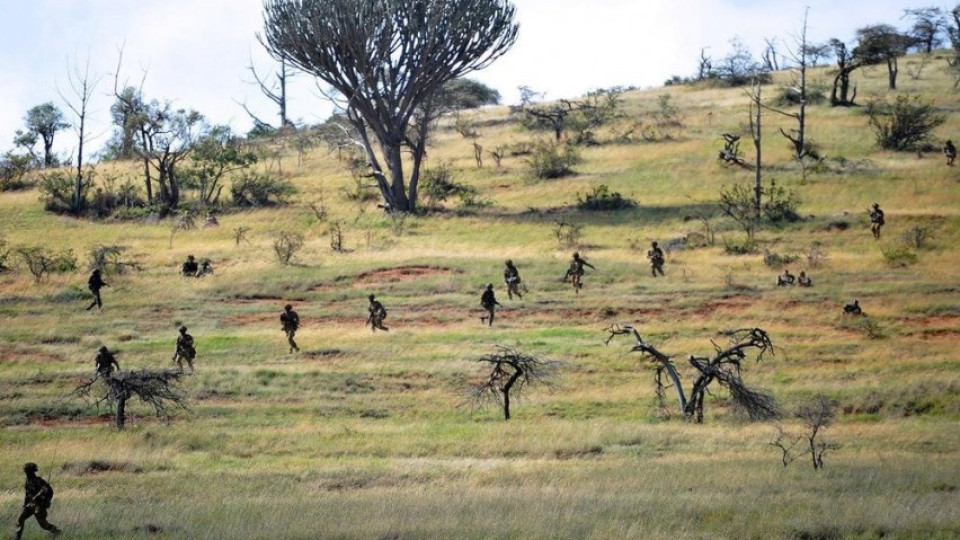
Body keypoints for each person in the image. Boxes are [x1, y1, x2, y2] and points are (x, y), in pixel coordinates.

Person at [14, 463, 61, 540]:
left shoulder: (39, 481)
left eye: (27, 471)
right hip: (31, 505)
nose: (26, 473)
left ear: (31, 472)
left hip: (39, 505)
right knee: (20, 519)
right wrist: (25, 504)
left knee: (43, 525)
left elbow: (47, 491)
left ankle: (56, 531)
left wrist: (43, 499)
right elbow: (27, 494)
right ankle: (17, 538)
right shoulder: (27, 481)